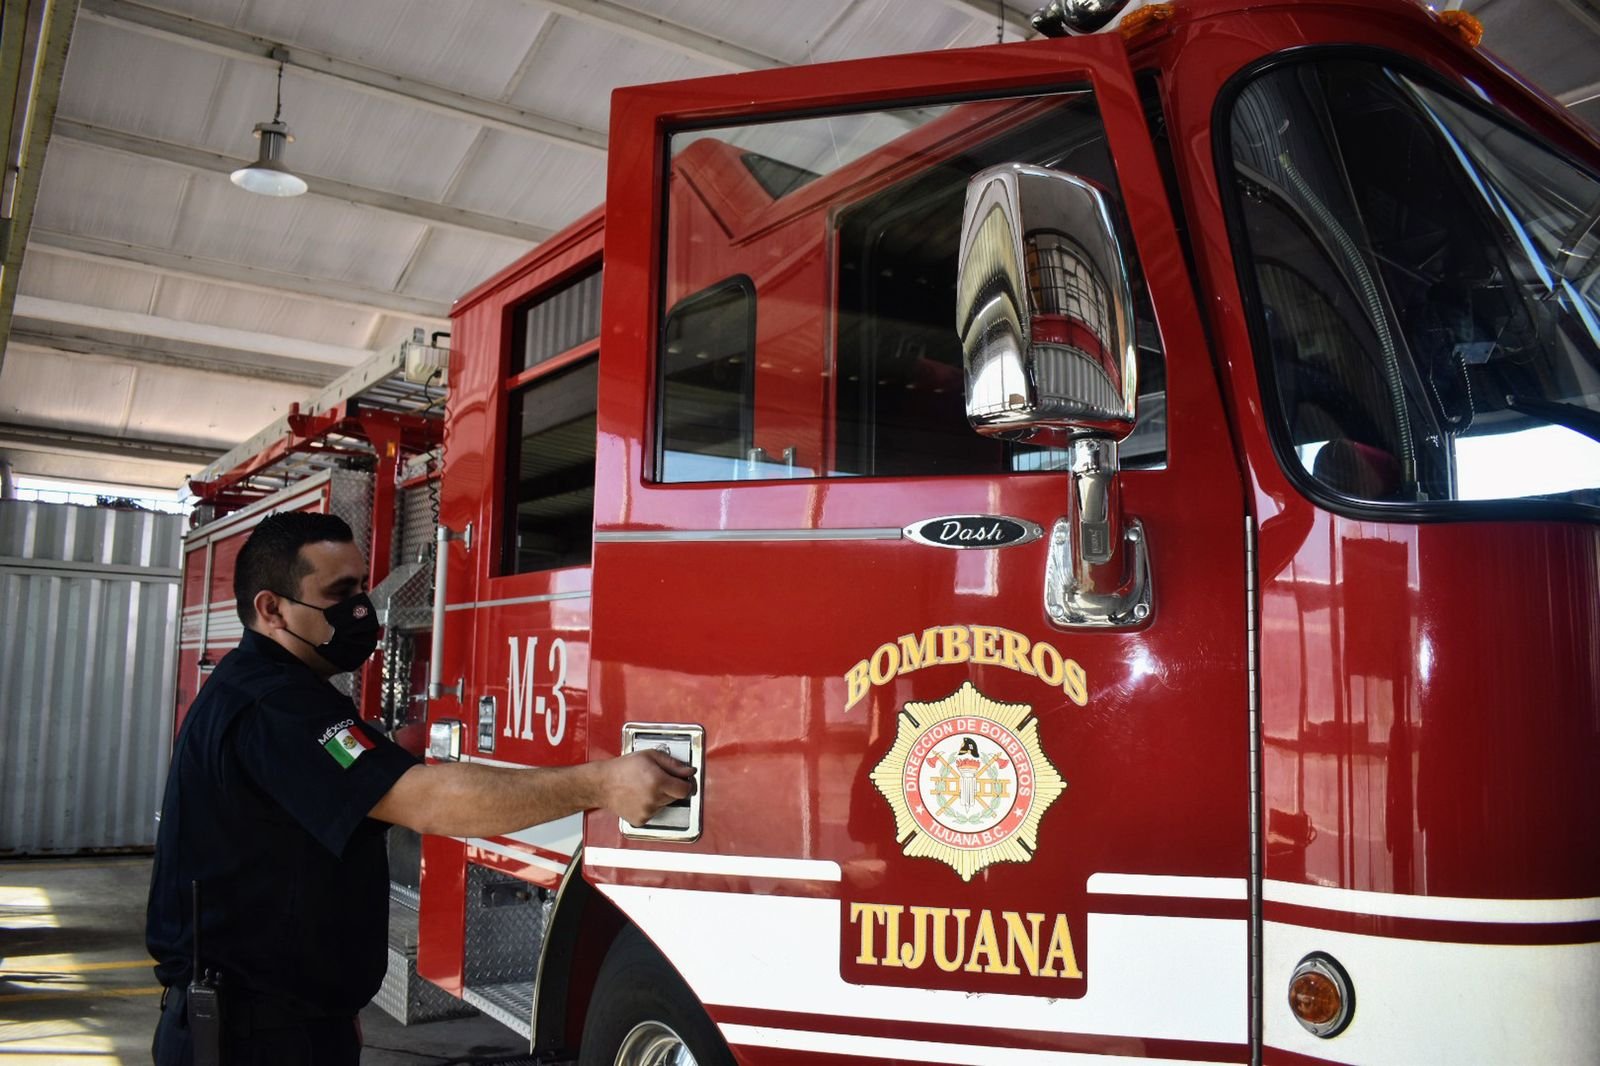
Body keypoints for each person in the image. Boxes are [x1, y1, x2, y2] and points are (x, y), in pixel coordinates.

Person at [147, 511, 694, 1065]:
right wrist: (602, 782)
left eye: (362, 586)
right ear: (272, 609)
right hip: (253, 1038)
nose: (361, 608)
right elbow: (424, 800)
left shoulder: (272, 691)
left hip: (284, 1023)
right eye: (339, 593)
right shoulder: (276, 706)